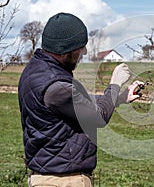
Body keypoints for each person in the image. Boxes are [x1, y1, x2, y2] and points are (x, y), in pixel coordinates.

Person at [18, 12, 142, 187]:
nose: (84, 52)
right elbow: (98, 117)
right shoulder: (56, 87)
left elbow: (80, 102)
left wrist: (120, 98)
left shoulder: (37, 71)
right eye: (80, 47)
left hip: (50, 177)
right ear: (65, 50)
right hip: (63, 181)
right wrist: (115, 84)